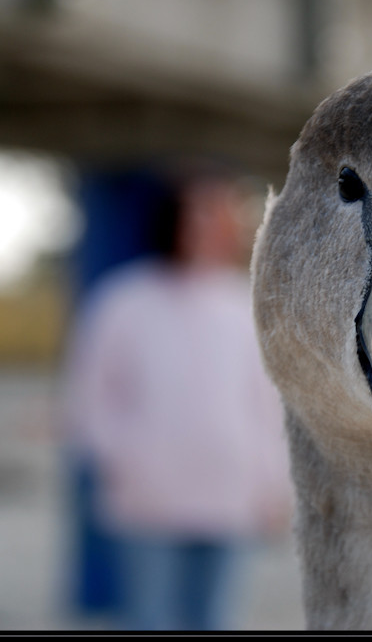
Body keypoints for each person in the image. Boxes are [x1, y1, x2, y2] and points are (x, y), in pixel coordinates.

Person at [62, 162, 292, 630]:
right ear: (171, 219)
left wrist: (275, 485)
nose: (207, 226)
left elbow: (266, 406)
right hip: (148, 498)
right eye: (196, 213)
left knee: (215, 620)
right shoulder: (123, 299)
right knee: (147, 619)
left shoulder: (244, 304)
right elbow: (88, 397)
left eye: (218, 214)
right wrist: (121, 457)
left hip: (229, 495)